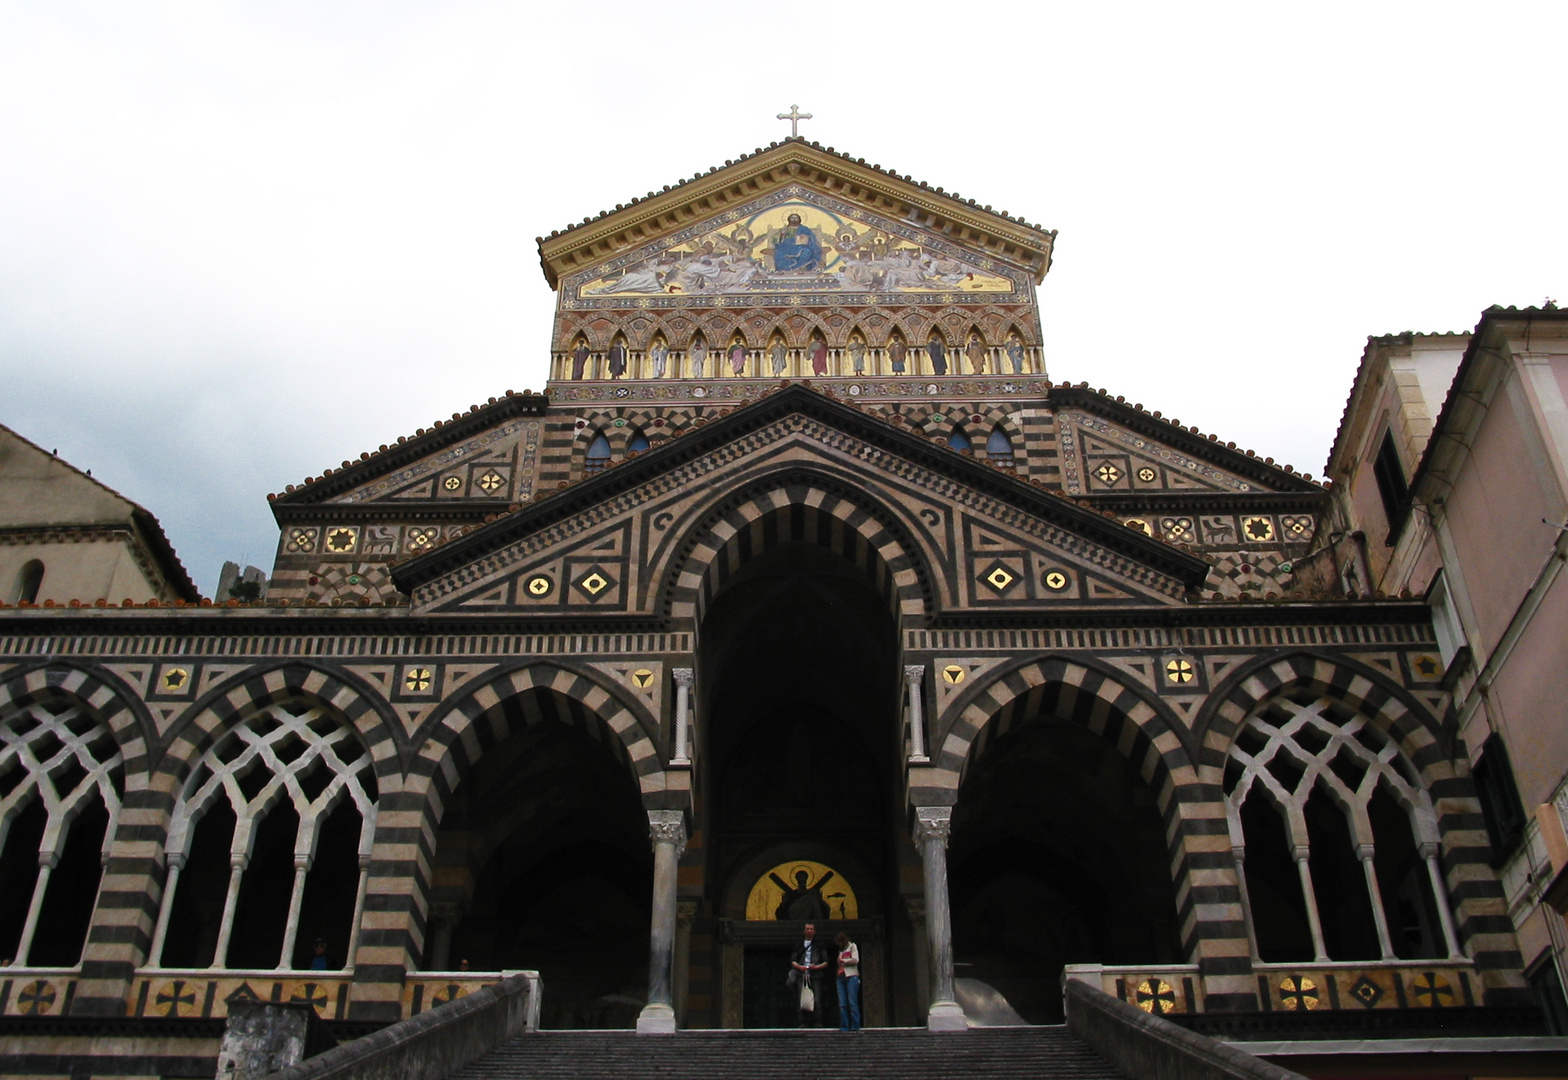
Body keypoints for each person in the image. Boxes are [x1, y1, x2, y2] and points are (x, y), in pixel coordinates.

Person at [789, 923, 830, 1027]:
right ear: (804, 931)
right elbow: (793, 960)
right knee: (802, 998)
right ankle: (802, 1022)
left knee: (817, 999)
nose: (809, 931)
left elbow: (826, 961)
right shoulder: (799, 945)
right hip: (801, 974)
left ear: (814, 931)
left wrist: (816, 967)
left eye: (811, 929)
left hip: (815, 974)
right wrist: (800, 967)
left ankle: (818, 1022)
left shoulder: (819, 945)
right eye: (807, 929)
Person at [835, 932, 861, 1031]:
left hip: (851, 976)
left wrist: (844, 961)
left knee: (852, 1002)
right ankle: (844, 1026)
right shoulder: (840, 951)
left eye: (838, 942)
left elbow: (855, 960)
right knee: (842, 1004)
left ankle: (855, 1025)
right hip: (841, 977)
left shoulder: (852, 946)